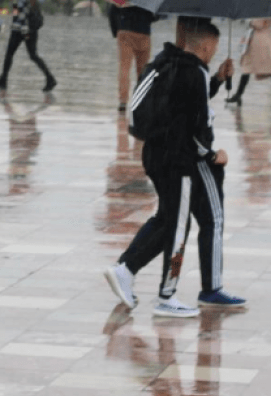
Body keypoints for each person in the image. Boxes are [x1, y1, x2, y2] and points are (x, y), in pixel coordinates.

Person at [104, 20, 245, 317]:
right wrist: (212, 155)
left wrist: (217, 79)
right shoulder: (194, 72)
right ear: (206, 46)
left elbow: (181, 106)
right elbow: (195, 127)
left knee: (167, 219)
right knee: (179, 227)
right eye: (213, 49)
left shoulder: (165, 62)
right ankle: (167, 296)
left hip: (154, 154)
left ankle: (125, 270)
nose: (213, 53)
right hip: (178, 161)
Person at [0, 0, 57, 92]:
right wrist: (10, 6)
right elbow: (17, 11)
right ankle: (3, 79)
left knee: (30, 55)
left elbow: (23, 13)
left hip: (23, 30)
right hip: (21, 29)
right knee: (15, 54)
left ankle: (50, 78)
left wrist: (24, 30)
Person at [225, 18, 271, 108]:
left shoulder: (266, 9)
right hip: (259, 40)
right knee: (250, 68)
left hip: (260, 41)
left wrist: (251, 23)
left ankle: (238, 95)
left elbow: (259, 24)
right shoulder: (268, 7)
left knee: (268, 69)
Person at [109, 4, 155, 112]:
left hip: (125, 31)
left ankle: (123, 102)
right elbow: (154, 15)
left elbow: (112, 12)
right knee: (143, 70)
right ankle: (141, 99)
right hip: (144, 32)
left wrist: (116, 30)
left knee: (124, 68)